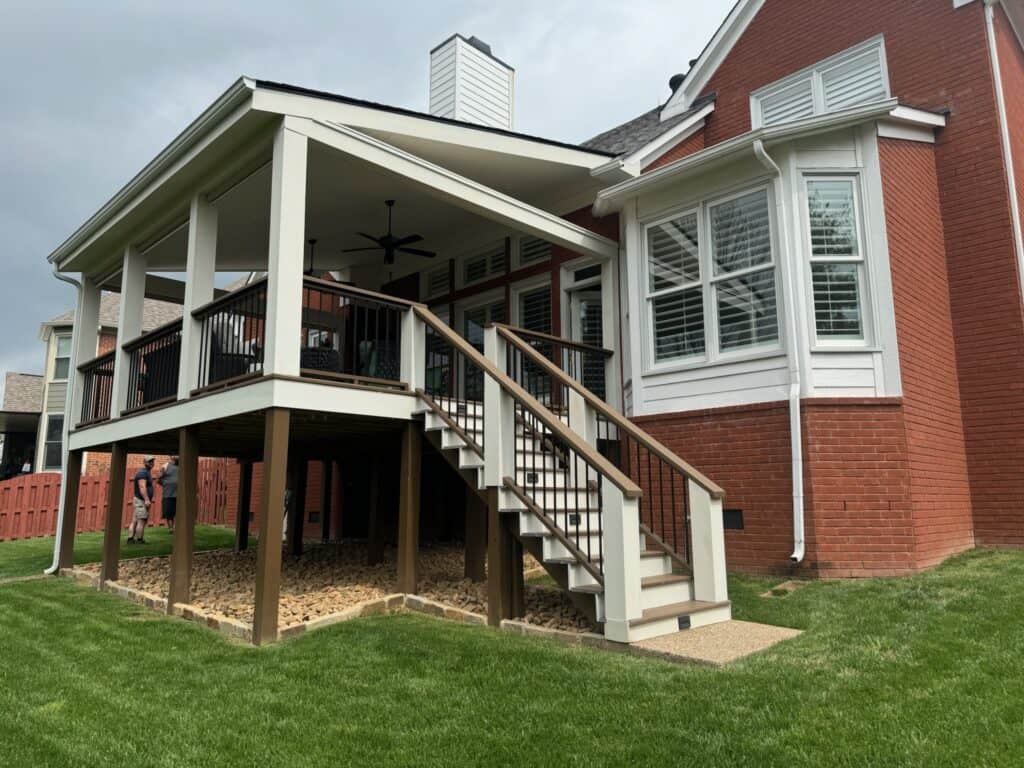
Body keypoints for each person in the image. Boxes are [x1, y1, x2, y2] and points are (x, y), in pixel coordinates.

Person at [127, 456, 155, 544]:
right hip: (141, 500)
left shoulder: (147, 472)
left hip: (138, 499)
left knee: (135, 520)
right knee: (142, 520)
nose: (151, 463)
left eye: (152, 462)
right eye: (149, 462)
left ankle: (130, 539)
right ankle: (139, 540)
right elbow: (142, 487)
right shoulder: (142, 473)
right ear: (144, 463)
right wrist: (146, 499)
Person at [158, 456, 179, 533]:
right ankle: (170, 529)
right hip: (168, 494)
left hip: (179, 495)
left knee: (178, 513)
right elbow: (159, 479)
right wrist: (165, 483)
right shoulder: (165, 466)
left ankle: (176, 528)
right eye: (173, 457)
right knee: (168, 513)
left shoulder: (182, 466)